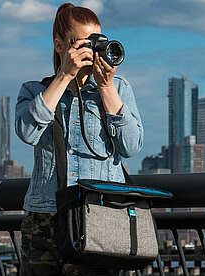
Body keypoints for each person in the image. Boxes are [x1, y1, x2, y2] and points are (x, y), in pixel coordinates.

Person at [15, 3, 143, 275]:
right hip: (44, 218)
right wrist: (64, 76)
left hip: (98, 216)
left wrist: (106, 86)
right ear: (60, 45)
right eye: (84, 43)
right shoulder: (35, 90)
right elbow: (27, 133)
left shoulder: (119, 88)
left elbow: (131, 146)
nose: (92, 50)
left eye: (98, 42)